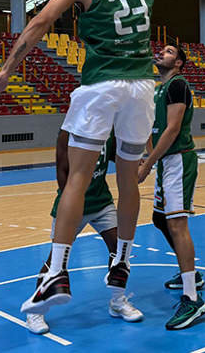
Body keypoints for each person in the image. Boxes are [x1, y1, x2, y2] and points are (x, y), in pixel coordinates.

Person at [0, 0, 155, 315]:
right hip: (143, 86)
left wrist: (6, 71)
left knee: (78, 176)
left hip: (102, 86)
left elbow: (41, 22)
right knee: (129, 180)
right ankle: (122, 261)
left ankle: (57, 270)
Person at [27, 129, 142, 334]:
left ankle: (117, 301)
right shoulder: (66, 132)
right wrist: (71, 206)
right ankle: (36, 311)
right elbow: (62, 172)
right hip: (74, 206)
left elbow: (118, 155)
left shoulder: (110, 130)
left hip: (102, 202)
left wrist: (138, 162)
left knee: (119, 251)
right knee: (55, 260)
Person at [137, 43, 205, 330]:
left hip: (178, 160)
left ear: (178, 63)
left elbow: (173, 129)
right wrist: (148, 156)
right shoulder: (157, 89)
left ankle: (192, 298)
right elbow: (151, 127)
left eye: (168, 52)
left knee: (177, 224)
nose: (161, 53)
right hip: (165, 161)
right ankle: (190, 271)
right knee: (159, 219)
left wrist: (147, 164)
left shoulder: (178, 85)